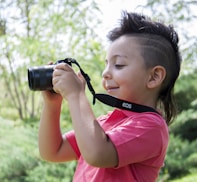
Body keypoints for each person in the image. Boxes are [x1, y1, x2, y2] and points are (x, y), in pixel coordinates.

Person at [38, 11, 182, 182]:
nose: (105, 73)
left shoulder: (151, 126)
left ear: (154, 77)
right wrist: (52, 104)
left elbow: (97, 154)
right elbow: (53, 151)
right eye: (107, 65)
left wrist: (76, 96)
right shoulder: (106, 122)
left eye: (119, 65)